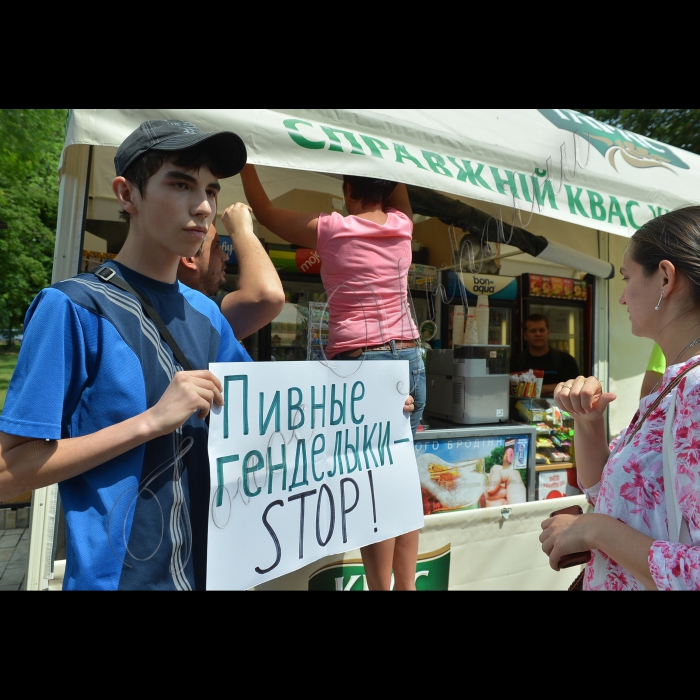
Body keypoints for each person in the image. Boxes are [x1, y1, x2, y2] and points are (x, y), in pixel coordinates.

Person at [0, 119, 255, 590]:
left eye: (211, 191)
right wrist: (150, 422)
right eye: (180, 184)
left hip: (213, 572)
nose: (202, 207)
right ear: (127, 194)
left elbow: (263, 413)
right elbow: (7, 473)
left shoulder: (207, 314)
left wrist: (372, 408)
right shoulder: (71, 307)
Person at [239, 164, 425, 591]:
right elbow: (397, 184)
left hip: (366, 364)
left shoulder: (335, 229)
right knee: (399, 474)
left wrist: (247, 162)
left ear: (347, 188)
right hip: (411, 357)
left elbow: (265, 212)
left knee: (371, 480)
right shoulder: (402, 226)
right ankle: (406, 586)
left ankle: (381, 588)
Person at [540, 206, 700, 590]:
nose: (623, 298)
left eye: (628, 278)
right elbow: (610, 492)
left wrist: (592, 529)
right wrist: (587, 421)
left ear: (664, 278)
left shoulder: (695, 391)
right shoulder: (676, 383)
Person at [177, 206, 285, 340]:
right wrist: (241, 230)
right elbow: (269, 295)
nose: (225, 256)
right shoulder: (194, 313)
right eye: (216, 246)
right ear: (189, 259)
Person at [512, 313, 580, 397]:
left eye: (542, 330)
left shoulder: (566, 360)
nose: (538, 334)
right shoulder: (514, 361)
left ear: (548, 333)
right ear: (525, 336)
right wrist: (555, 387)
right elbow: (510, 389)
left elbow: (574, 387)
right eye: (533, 331)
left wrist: (533, 389)